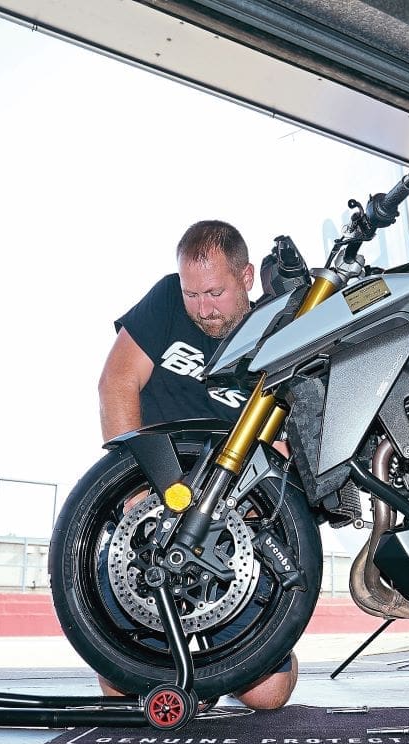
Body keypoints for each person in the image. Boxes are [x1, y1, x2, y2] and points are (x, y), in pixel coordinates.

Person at [97, 219, 298, 709]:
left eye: (216, 292)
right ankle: (173, 652)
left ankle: (233, 651)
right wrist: (135, 493)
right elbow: (116, 383)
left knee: (268, 696)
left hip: (233, 512)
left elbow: (293, 439)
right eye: (193, 294)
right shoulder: (167, 301)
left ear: (246, 277)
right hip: (158, 495)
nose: (204, 308)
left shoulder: (283, 327)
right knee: (121, 686)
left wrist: (261, 511)